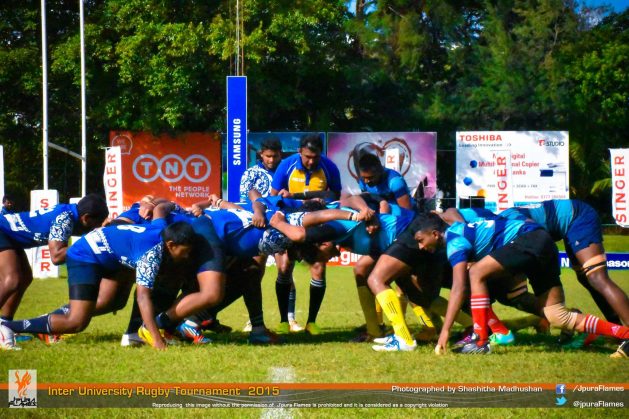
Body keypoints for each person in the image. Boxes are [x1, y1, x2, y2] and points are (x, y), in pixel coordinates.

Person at [412, 212, 629, 357]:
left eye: (421, 240)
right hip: (543, 242)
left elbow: (459, 287)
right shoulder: (458, 229)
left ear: (435, 234)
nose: (420, 247)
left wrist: (445, 331)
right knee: (557, 316)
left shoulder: (454, 241)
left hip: (531, 239)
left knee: (475, 273)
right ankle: (625, 335)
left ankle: (480, 340)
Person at [0, 219, 224, 350]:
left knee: (112, 301)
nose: (187, 256)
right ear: (171, 244)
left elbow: (159, 213)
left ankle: (50, 322)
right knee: (76, 322)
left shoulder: (162, 230)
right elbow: (143, 296)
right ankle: (9, 327)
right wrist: (158, 342)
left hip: (109, 257)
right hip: (85, 255)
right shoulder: (152, 254)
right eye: (185, 252)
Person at [0, 194, 108, 342]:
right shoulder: (64, 218)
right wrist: (87, 247)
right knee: (12, 279)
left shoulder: (73, 214)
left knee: (24, 278)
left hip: (10, 236)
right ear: (86, 218)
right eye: (98, 222)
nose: (97, 226)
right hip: (3, 231)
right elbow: (56, 256)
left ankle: (4, 325)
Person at [270, 134, 342, 335]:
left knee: (318, 267)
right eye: (308, 156)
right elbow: (274, 196)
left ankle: (312, 322)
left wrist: (299, 197)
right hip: (289, 221)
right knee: (284, 267)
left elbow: (334, 195)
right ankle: (284, 320)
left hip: (316, 223)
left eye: (315, 157)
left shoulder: (329, 167)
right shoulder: (286, 165)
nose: (311, 161)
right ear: (299, 151)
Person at [239, 137, 303, 333]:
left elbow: (296, 200)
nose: (271, 160)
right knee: (255, 273)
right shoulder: (251, 174)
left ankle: (289, 318)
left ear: (280, 154)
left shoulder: (289, 173)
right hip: (258, 229)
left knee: (285, 270)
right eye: (268, 156)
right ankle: (253, 320)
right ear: (261, 154)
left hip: (283, 225)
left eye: (275, 156)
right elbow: (245, 201)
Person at [352, 143, 414, 214]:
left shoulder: (395, 182)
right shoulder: (362, 181)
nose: (366, 181)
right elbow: (367, 200)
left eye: (370, 177)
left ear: (380, 171)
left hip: (396, 211)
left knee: (397, 211)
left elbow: (407, 213)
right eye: (364, 177)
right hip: (379, 208)